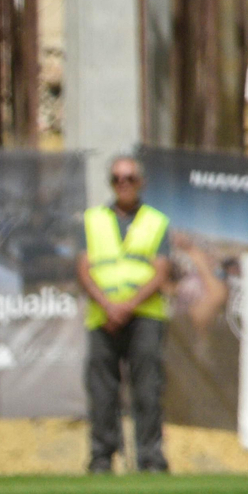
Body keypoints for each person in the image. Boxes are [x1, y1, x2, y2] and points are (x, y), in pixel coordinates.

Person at [76, 156, 172, 474]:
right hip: (102, 317)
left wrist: (127, 306)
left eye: (130, 178)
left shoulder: (156, 221)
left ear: (141, 182)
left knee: (147, 389)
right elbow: (83, 268)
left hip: (144, 315)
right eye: (117, 178)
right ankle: (102, 457)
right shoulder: (92, 220)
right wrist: (108, 306)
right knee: (102, 391)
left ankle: (150, 458)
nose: (124, 184)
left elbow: (161, 271)